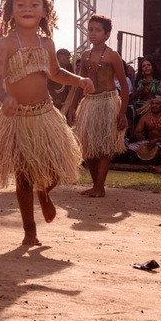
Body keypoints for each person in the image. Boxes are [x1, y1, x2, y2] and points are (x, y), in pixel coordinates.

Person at [0, 0, 93, 246]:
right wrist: (5, 98)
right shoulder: (5, 44)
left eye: (34, 4)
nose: (28, 8)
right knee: (24, 175)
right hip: (16, 119)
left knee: (57, 169)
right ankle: (30, 231)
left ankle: (45, 193)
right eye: (21, 4)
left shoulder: (47, 44)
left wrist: (80, 80)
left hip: (45, 114)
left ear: (44, 11)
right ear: (11, 10)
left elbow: (56, 72)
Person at [64, 14, 129, 198]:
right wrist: (73, 107)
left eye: (98, 30)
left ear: (107, 34)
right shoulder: (85, 56)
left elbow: (124, 85)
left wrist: (122, 112)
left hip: (108, 102)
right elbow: (81, 83)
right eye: (90, 29)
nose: (93, 33)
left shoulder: (112, 56)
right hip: (90, 103)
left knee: (104, 147)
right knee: (90, 147)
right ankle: (95, 186)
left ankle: (100, 186)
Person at [133, 95, 161, 166]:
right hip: (149, 141)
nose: (154, 106)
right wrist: (139, 135)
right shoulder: (145, 117)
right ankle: (137, 165)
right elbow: (137, 131)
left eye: (157, 104)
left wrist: (156, 140)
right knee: (131, 149)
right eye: (152, 103)